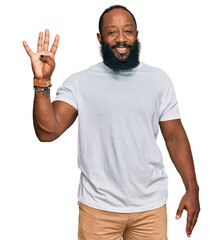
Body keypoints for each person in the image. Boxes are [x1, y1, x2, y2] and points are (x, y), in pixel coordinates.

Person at [23, 5, 200, 240]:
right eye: (111, 32)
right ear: (100, 38)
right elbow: (47, 131)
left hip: (150, 209)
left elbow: (175, 136)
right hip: (98, 209)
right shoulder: (80, 82)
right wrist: (41, 82)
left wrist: (192, 188)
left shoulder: (159, 80)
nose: (121, 39)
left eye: (128, 31)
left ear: (136, 35)